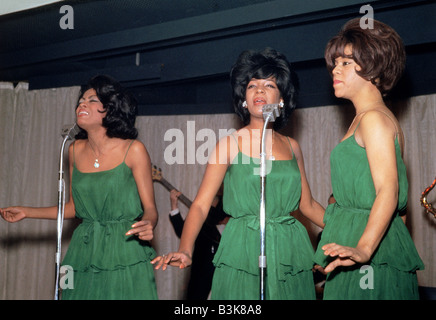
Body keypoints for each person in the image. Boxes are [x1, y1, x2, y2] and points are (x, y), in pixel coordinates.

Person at [152, 48, 325, 300]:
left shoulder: (292, 146)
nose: (259, 90)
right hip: (242, 247)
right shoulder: (229, 144)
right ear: (244, 97)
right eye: (252, 85)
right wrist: (186, 249)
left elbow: (307, 205)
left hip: (289, 248)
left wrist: (350, 233)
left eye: (269, 84)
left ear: (282, 99)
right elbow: (200, 205)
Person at [0, 75, 159, 300]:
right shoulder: (73, 150)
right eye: (81, 100)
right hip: (82, 249)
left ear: (110, 109)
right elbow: (74, 208)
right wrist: (27, 212)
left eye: (92, 100)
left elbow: (150, 208)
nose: (82, 104)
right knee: (71, 291)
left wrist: (148, 223)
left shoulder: (133, 150)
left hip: (124, 246)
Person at [313, 18, 424, 299]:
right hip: (367, 249)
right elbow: (401, 214)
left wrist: (364, 248)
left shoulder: (374, 119)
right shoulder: (367, 118)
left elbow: (389, 190)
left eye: (346, 63)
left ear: (374, 70)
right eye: (335, 62)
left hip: (368, 255)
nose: (335, 69)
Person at [169, 189, 229, 299]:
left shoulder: (228, 204)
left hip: (227, 262)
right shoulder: (199, 213)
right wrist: (174, 205)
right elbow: (183, 232)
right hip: (202, 264)